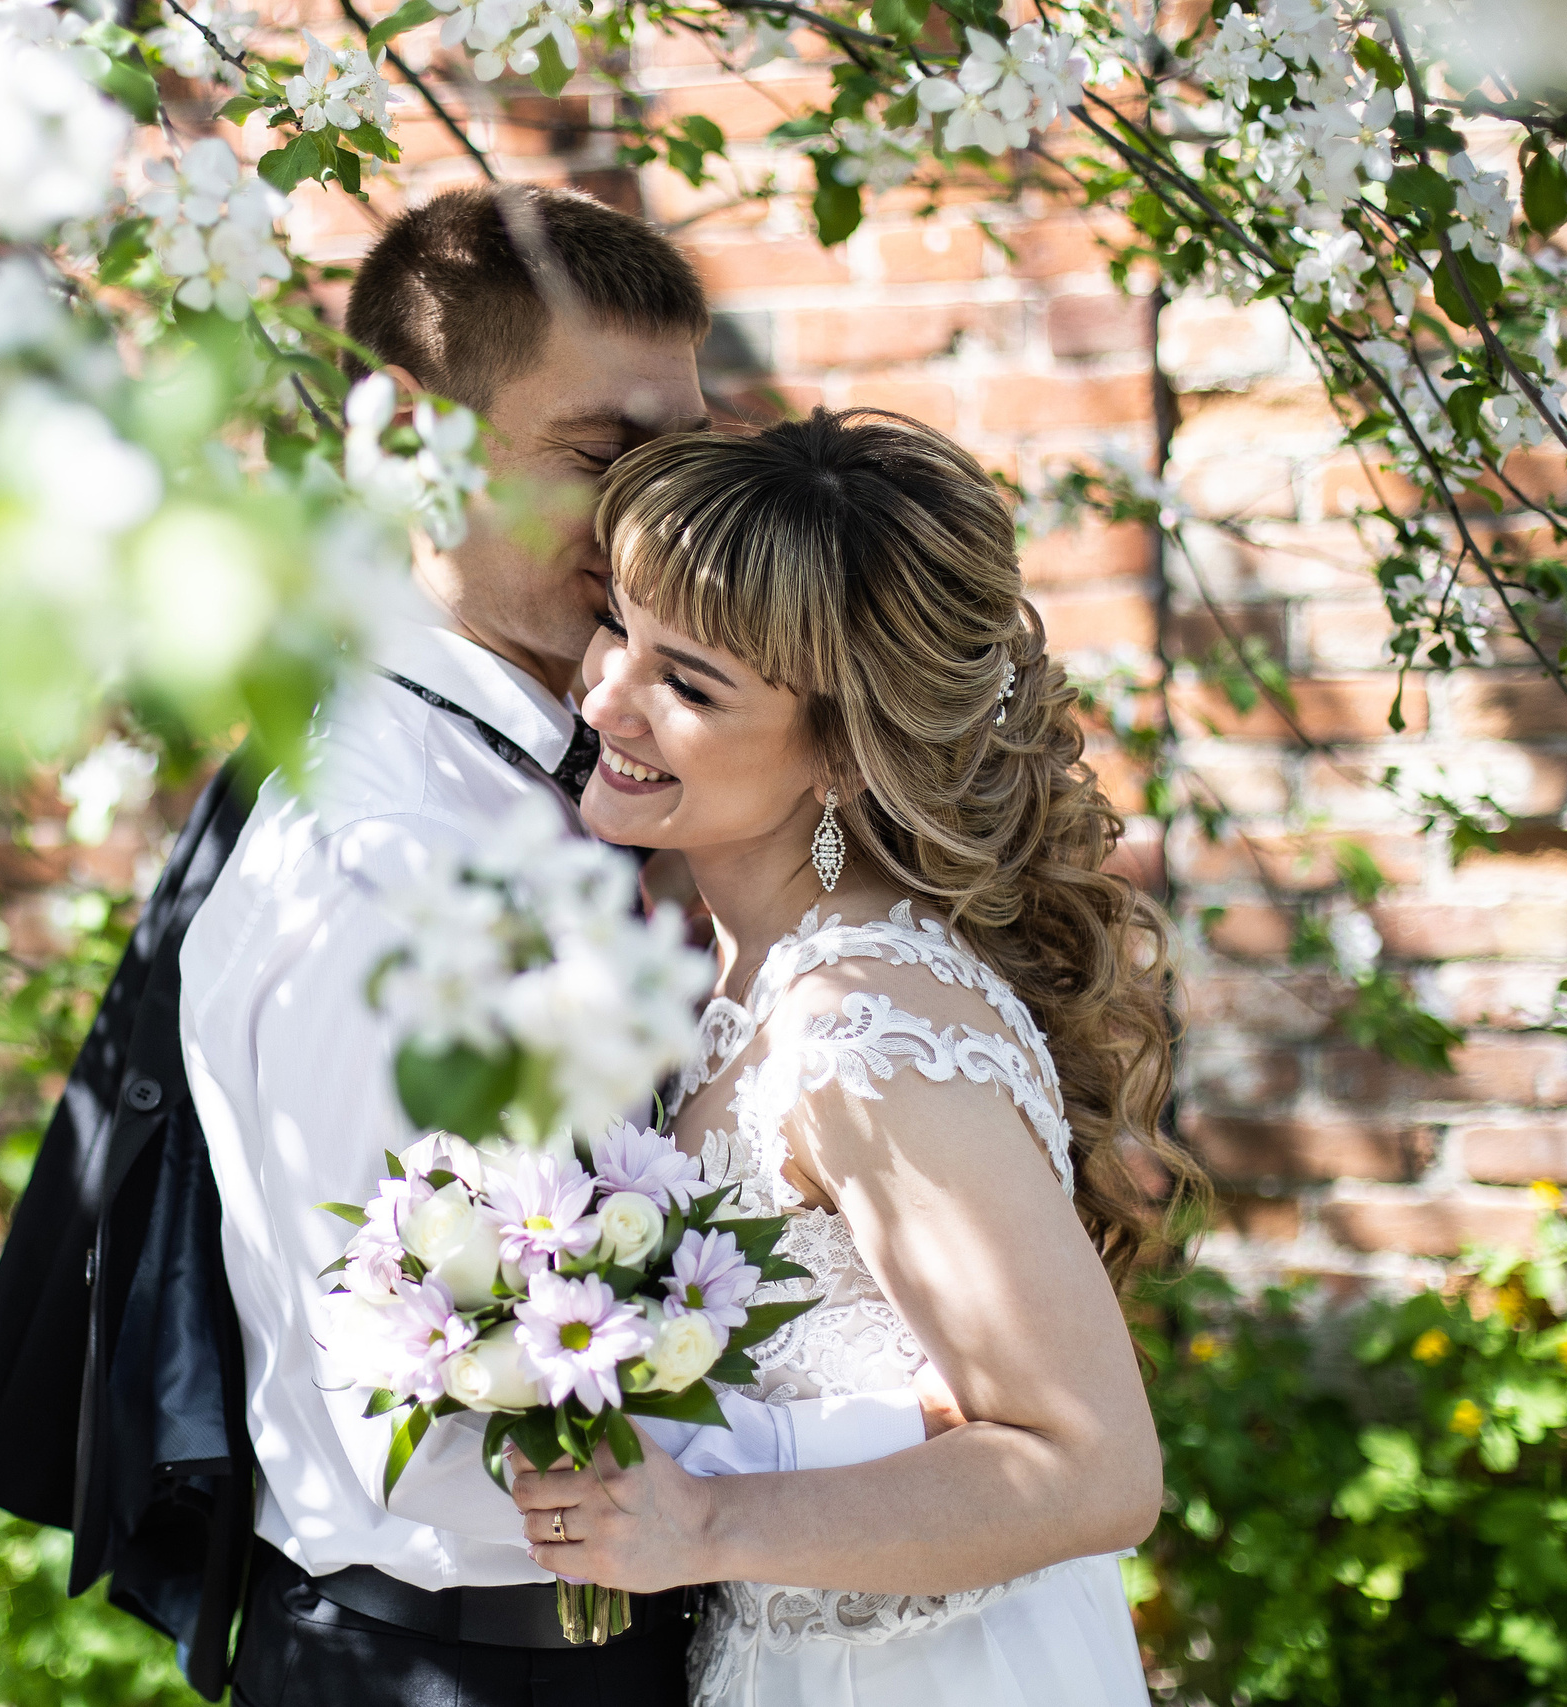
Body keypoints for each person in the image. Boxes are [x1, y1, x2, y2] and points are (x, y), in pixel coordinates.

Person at [505, 408, 1194, 1706]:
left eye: (689, 683)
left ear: (841, 752)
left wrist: (701, 1529)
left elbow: (1094, 1467)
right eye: (619, 629)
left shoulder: (862, 1038)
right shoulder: (734, 968)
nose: (607, 694)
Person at [177, 182, 717, 1707]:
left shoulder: (571, 792)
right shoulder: (380, 864)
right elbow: (432, 1402)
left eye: (683, 462)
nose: (651, 523)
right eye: (606, 460)